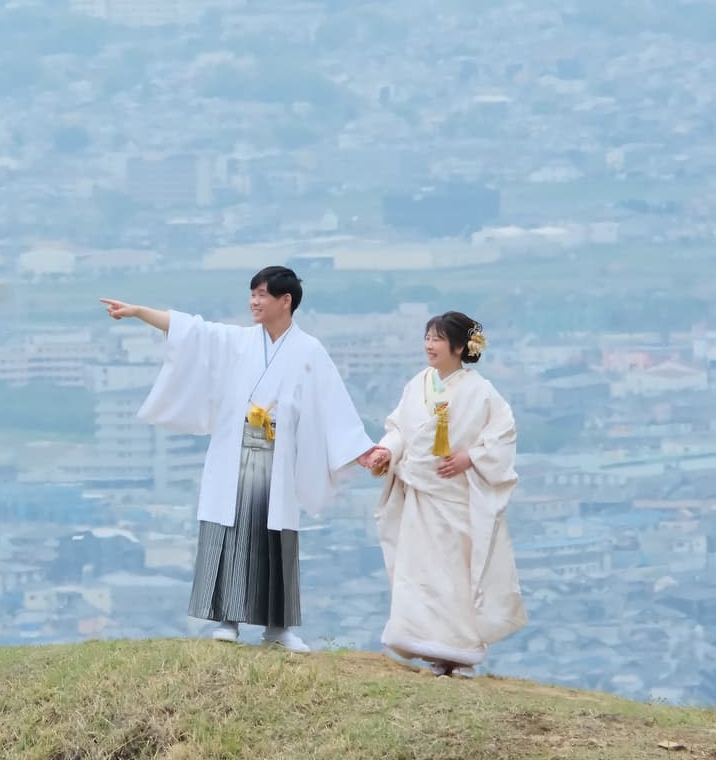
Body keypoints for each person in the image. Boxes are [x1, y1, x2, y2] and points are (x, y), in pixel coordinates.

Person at [101, 266, 378, 652]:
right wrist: (138, 312)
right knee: (229, 528)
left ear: (286, 301)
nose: (254, 301)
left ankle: (276, 627)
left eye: (262, 295)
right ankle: (225, 618)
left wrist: (362, 451)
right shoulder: (237, 341)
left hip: (277, 455)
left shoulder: (309, 350)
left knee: (274, 535)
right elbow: (190, 331)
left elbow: (333, 406)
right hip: (236, 447)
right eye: (252, 294)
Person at [363, 312, 526, 677]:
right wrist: (386, 451)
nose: (429, 345)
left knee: (454, 574)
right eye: (427, 337)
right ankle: (431, 647)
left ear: (458, 346)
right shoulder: (418, 383)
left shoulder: (481, 391)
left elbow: (503, 434)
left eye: (437, 338)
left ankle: (461, 651)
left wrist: (472, 457)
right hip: (419, 492)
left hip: (454, 496)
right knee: (420, 572)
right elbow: (400, 429)